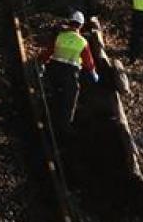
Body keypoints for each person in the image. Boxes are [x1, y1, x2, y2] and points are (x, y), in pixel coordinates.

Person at [41, 11, 99, 139]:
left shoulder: (60, 36)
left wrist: (41, 62)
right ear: (81, 26)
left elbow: (48, 52)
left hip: (53, 71)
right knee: (70, 99)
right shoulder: (82, 42)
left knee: (54, 95)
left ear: (69, 22)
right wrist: (93, 73)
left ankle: (48, 118)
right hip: (70, 74)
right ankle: (65, 127)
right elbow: (88, 62)